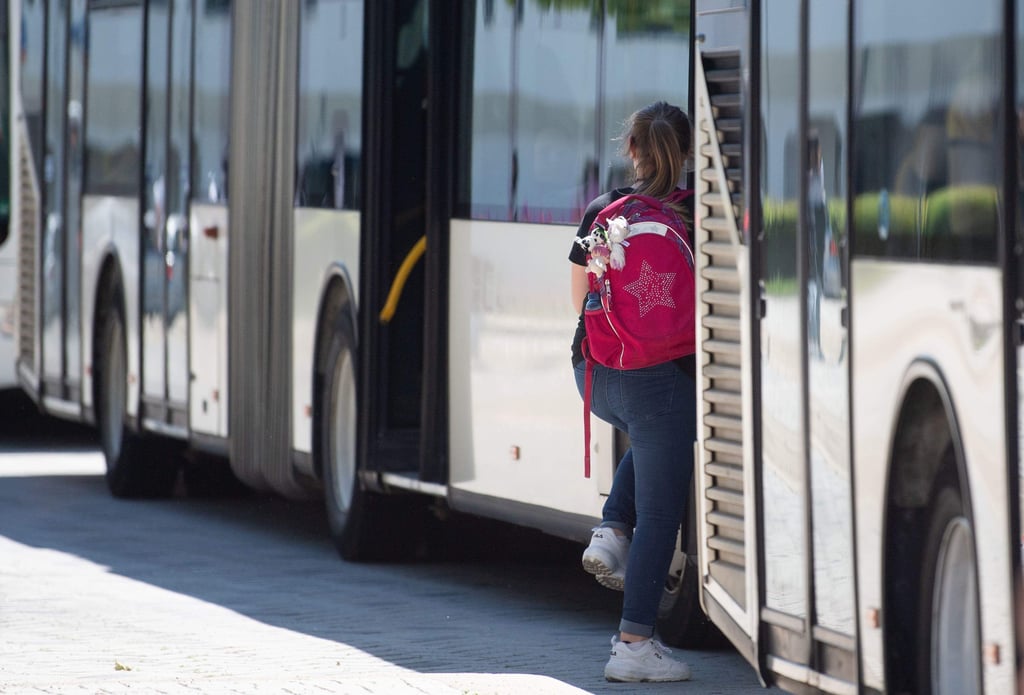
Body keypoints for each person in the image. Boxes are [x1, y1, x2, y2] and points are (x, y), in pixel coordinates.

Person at [568, 101, 696, 683]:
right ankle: (634, 644)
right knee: (664, 511)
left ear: (633, 149)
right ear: (689, 153)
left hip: (595, 376)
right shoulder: (694, 216)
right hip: (659, 380)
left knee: (651, 438)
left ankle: (613, 527)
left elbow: (579, 300)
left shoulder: (603, 210)